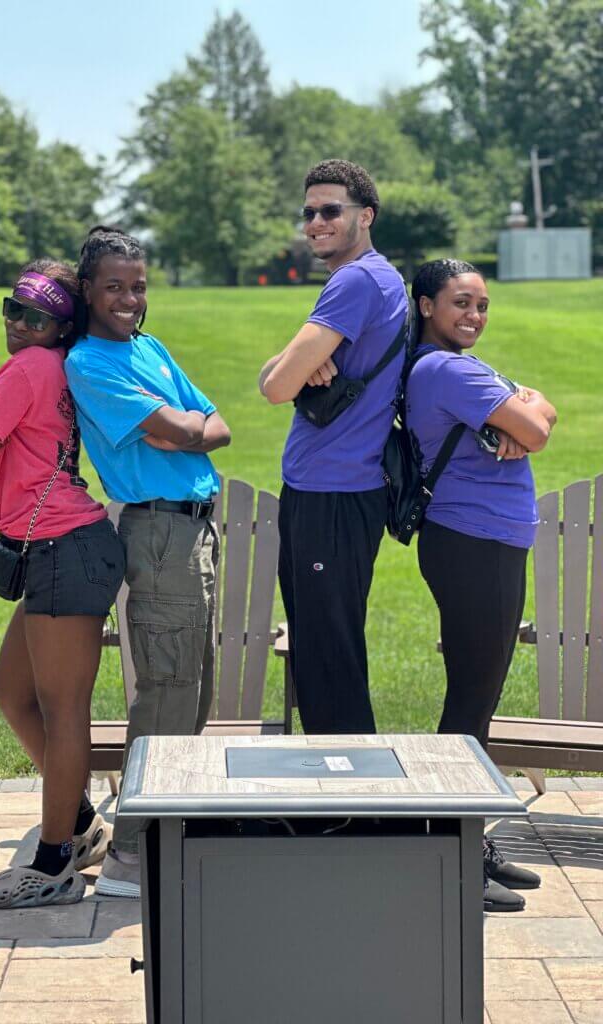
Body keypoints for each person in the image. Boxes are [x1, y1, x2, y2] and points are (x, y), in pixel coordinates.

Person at [0, 260, 125, 908]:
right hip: (61, 548)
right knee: (12, 690)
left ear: (60, 327)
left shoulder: (30, 368)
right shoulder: (61, 366)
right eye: (13, 309)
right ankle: (76, 824)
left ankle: (53, 866)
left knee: (61, 707)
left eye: (38, 317)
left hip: (66, 549)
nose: (20, 325)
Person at [65, 226, 231, 898]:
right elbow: (180, 430)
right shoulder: (89, 362)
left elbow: (215, 423)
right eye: (115, 287)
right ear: (87, 290)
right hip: (159, 532)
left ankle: (166, 829)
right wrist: (188, 429)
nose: (130, 298)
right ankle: (131, 857)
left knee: (195, 686)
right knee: (166, 689)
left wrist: (191, 428)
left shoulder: (150, 347)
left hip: (196, 531)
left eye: (138, 285)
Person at [406, 258, 557, 912]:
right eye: (460, 304)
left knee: (478, 699)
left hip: (483, 543)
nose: (473, 316)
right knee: (470, 702)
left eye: (482, 305)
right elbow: (539, 425)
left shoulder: (460, 368)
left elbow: (542, 410)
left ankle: (467, 838)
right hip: (475, 543)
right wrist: (521, 413)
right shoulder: (445, 369)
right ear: (425, 307)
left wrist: (523, 410)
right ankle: (449, 852)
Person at [259, 159, 407, 735]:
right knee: (324, 651)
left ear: (365, 216)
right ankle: (341, 801)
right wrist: (295, 363)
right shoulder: (377, 278)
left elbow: (273, 387)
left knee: (329, 657)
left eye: (330, 211)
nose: (315, 222)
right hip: (332, 492)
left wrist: (292, 366)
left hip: (333, 496)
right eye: (309, 212)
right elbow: (279, 373)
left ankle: (351, 808)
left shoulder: (355, 281)